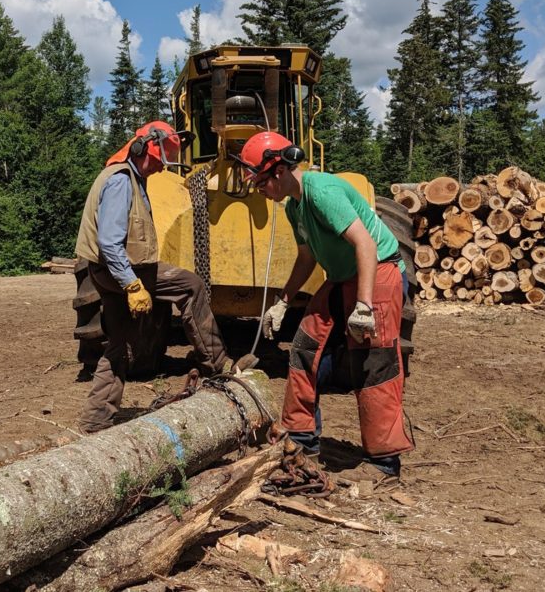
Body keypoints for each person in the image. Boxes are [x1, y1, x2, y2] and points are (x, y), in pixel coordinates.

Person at [238, 131, 414, 478]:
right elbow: (306, 258)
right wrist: (283, 302)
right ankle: (300, 440)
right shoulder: (294, 207)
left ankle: (384, 462)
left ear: (277, 171)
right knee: (305, 346)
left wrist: (363, 307)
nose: (258, 190)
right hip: (341, 275)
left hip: (378, 269)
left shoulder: (322, 193)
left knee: (373, 361)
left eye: (259, 182)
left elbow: (365, 244)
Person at [76, 121, 230, 433]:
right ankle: (218, 366)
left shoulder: (130, 176)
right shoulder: (121, 181)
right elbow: (109, 241)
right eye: (158, 162)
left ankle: (96, 419)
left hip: (114, 272)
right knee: (191, 286)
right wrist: (132, 285)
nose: (160, 169)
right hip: (124, 271)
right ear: (142, 148)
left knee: (118, 342)